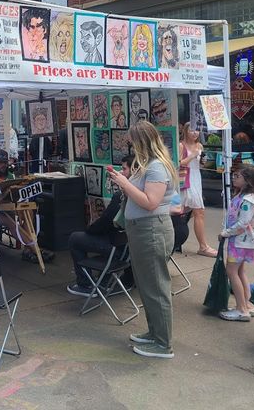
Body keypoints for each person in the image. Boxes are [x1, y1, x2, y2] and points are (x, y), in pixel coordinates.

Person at [107, 121, 176, 359]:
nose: (130, 146)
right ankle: (154, 332)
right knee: (147, 286)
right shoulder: (147, 165)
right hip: (141, 230)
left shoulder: (156, 167)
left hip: (151, 231)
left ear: (141, 142)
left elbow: (150, 202)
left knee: (156, 288)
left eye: (132, 142)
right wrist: (122, 180)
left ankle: (163, 343)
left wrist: (124, 183)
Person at [66, 155, 133, 296]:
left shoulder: (122, 195)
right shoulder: (140, 192)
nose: (121, 172)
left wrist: (90, 230)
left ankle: (85, 284)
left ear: (134, 170)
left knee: (75, 238)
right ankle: (105, 281)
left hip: (118, 248)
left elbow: (105, 222)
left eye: (124, 169)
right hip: (128, 249)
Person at [218, 165, 254, 322]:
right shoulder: (247, 198)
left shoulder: (246, 200)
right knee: (240, 272)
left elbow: (242, 223)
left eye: (237, 176)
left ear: (247, 181)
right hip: (246, 243)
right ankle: (246, 304)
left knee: (232, 271)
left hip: (239, 242)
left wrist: (226, 233)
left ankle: (241, 309)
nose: (233, 178)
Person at [178, 123, 217, 257]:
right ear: (185, 131)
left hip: (196, 178)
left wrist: (202, 161)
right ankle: (202, 246)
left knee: (194, 212)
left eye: (197, 130)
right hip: (185, 179)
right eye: (192, 130)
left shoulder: (199, 146)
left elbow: (201, 164)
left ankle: (200, 245)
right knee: (193, 211)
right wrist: (193, 155)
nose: (195, 133)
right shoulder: (181, 145)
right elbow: (178, 163)